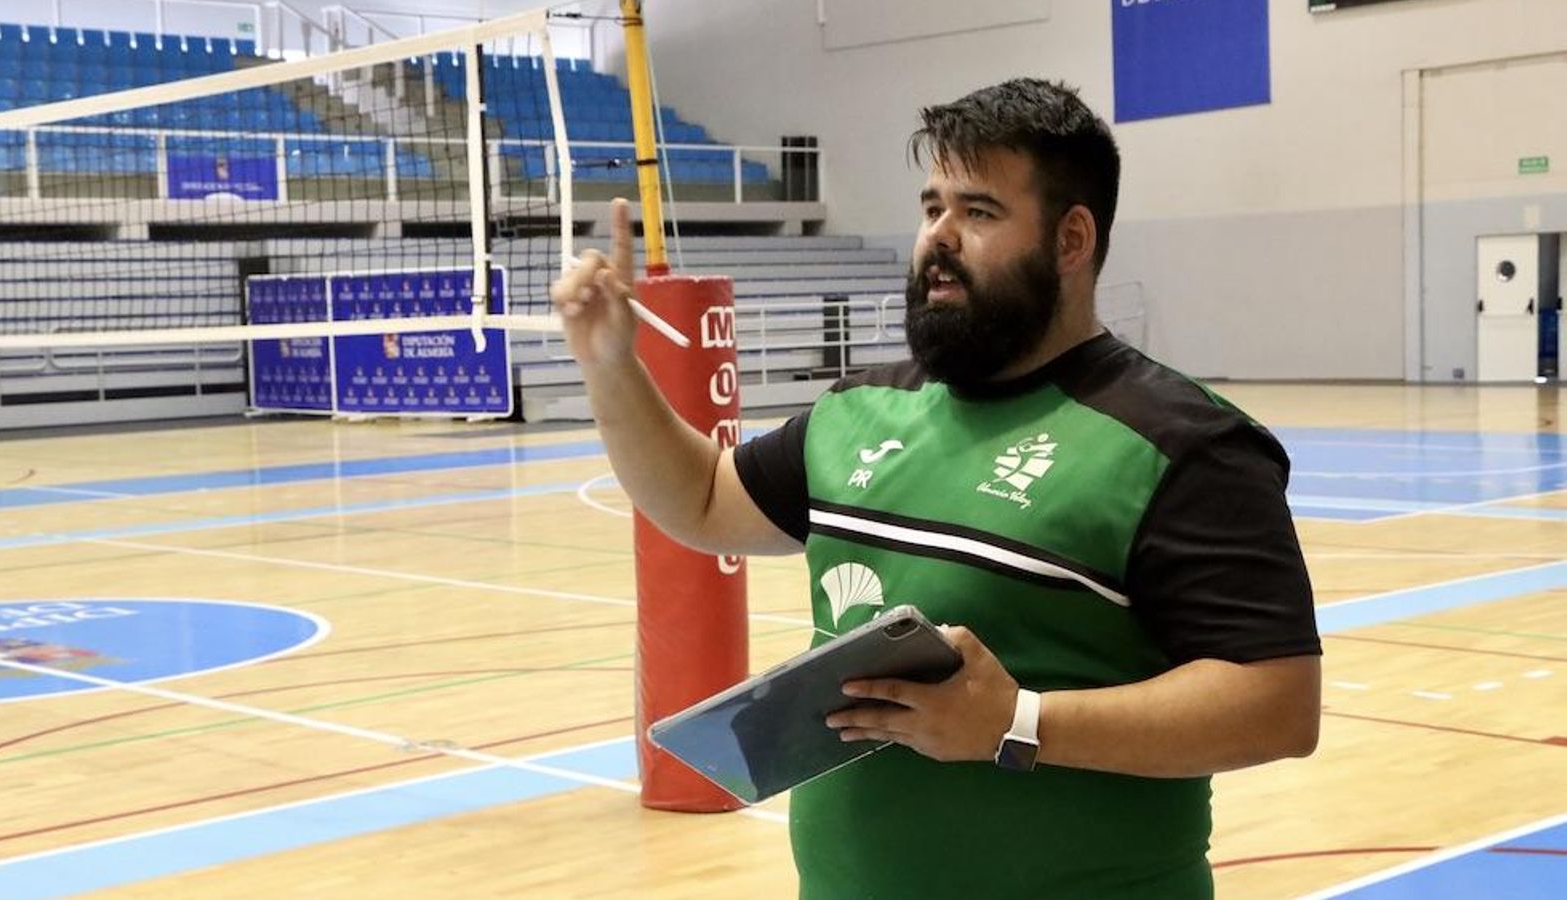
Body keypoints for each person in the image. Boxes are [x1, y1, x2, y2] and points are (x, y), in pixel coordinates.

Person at [551, 78, 1321, 899]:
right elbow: (703, 500)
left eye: (979, 212)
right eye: (931, 208)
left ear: (1070, 239)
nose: (938, 238)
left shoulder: (1183, 443)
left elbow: (1276, 704)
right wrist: (609, 365)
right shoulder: (864, 407)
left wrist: (1019, 723)